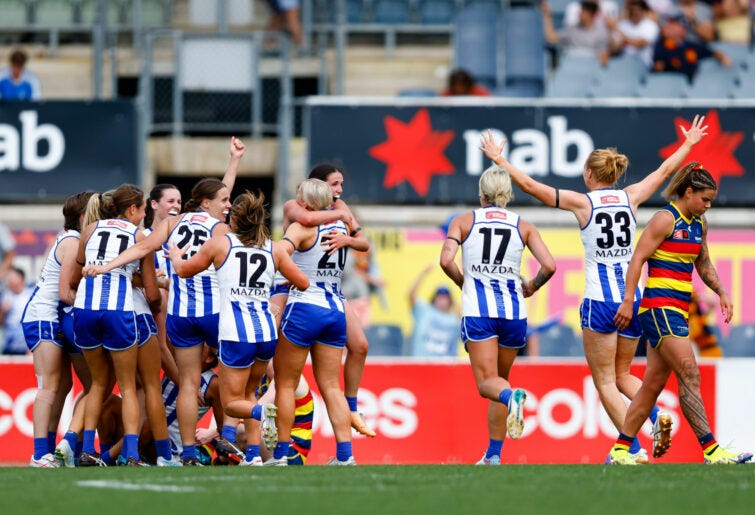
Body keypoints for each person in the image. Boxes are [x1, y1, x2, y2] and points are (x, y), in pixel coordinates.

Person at [480, 114, 708, 463]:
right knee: (623, 375)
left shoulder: (583, 202)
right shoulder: (631, 196)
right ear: (614, 173)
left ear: (589, 173)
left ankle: (631, 449)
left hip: (600, 302)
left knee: (604, 381)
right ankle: (655, 414)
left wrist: (500, 160)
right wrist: (689, 144)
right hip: (631, 299)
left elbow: (531, 186)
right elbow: (664, 171)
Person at [84, 137, 245, 465]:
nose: (227, 205)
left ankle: (186, 453)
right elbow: (219, 202)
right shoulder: (220, 229)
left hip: (180, 316)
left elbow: (141, 249)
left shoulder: (170, 225)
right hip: (208, 313)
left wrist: (105, 266)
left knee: (185, 385)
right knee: (237, 377)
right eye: (224, 201)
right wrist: (234, 162)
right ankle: (229, 438)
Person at [608, 163, 753, 465]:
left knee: (651, 386)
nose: (708, 205)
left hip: (677, 310)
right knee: (690, 373)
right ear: (688, 192)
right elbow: (638, 258)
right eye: (705, 199)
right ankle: (712, 451)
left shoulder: (699, 224)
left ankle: (620, 451)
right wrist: (628, 299)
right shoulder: (665, 219)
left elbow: (704, 263)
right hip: (658, 309)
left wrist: (722, 292)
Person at [169, 190, 309, 467]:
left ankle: (264, 413)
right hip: (266, 332)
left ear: (234, 219)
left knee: (232, 403)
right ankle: (254, 455)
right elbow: (303, 282)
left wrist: (175, 256)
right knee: (249, 393)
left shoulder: (220, 244)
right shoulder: (275, 249)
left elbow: (184, 271)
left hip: (236, 333)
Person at [440, 167, 557, 465]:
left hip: (479, 312)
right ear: (508, 194)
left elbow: (445, 260)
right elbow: (550, 266)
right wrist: (532, 286)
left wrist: (462, 281)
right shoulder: (524, 226)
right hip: (514, 313)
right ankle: (493, 455)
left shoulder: (463, 221)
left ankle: (512, 398)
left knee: (488, 385)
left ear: (481, 195)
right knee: (500, 381)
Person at [270, 178, 369, 466]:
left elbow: (278, 254)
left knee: (286, 384)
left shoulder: (302, 227)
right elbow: (362, 243)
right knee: (331, 386)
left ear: (306, 203)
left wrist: (295, 277)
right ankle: (345, 456)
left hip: (304, 307)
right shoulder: (341, 228)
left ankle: (280, 454)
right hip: (335, 309)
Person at [71, 185, 160, 466]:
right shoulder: (139, 235)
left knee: (97, 384)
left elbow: (75, 277)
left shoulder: (90, 229)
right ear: (132, 209)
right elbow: (152, 293)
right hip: (118, 311)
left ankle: (87, 449)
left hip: (84, 310)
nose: (144, 215)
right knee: (128, 387)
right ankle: (130, 454)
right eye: (143, 209)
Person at [19, 192, 93, 467]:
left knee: (63, 385)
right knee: (49, 386)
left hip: (51, 316)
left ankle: (50, 450)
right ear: (84, 217)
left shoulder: (71, 239)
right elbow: (65, 293)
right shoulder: (73, 242)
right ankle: (40, 454)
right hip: (44, 316)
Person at [652, 10, 730, 80]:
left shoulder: (691, 45)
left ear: (684, 29)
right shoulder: (661, 44)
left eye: (675, 25)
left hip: (692, 82)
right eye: (669, 25)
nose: (670, 27)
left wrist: (722, 57)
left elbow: (710, 52)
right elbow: (658, 66)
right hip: (670, 81)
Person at [408, 264, 461, 357]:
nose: (442, 300)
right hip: (422, 363)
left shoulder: (455, 319)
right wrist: (423, 274)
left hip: (446, 365)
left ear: (450, 301)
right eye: (440, 297)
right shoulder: (424, 311)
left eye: (445, 297)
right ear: (434, 299)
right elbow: (411, 295)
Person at [543, 0, 611, 65]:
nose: (579, 14)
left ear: (592, 15)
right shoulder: (571, 30)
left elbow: (604, 55)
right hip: (570, 66)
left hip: (590, 68)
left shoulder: (601, 33)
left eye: (583, 12)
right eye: (580, 11)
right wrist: (547, 15)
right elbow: (551, 38)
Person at [611, 0, 660, 67]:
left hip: (643, 63)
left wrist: (619, 32)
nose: (635, 13)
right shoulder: (622, 25)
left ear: (643, 11)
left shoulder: (651, 26)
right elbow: (615, 48)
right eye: (632, 10)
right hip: (624, 62)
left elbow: (639, 44)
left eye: (638, 10)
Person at [1, 267, 34, 355]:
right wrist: (2, 311)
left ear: (21, 279)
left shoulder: (31, 296)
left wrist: (32, 346)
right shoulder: (5, 296)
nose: (9, 282)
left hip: (27, 348)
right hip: (8, 347)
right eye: (8, 279)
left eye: (12, 279)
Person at [688, 290, 724, 357]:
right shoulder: (695, 319)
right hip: (703, 352)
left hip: (711, 352)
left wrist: (699, 296)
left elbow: (713, 302)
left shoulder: (698, 319)